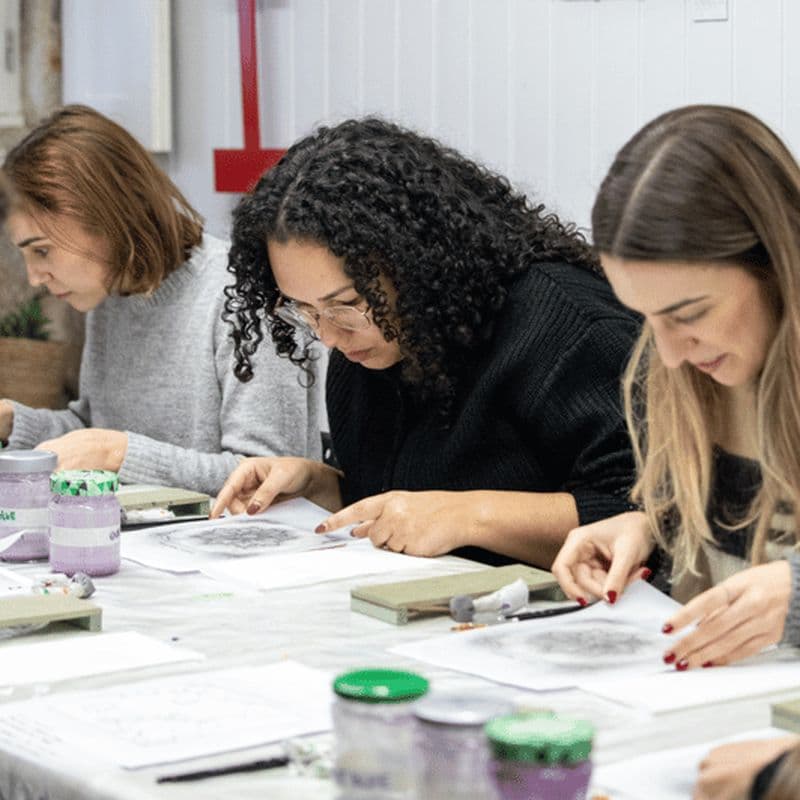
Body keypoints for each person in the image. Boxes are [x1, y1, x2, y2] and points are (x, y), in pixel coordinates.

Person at [211, 117, 638, 566]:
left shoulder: (566, 324)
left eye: (346, 304)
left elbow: (649, 517)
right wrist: (321, 489)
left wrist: (472, 515)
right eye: (305, 310)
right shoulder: (364, 353)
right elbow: (410, 504)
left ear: (414, 264)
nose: (329, 336)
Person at [549, 105, 800, 800]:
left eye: (689, 315)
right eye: (647, 319)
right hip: (705, 725)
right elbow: (735, 543)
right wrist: (650, 526)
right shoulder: (681, 377)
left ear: (776, 264)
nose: (668, 352)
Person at [0, 105, 320, 495]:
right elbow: (94, 430)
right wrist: (13, 423)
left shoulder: (245, 295)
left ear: (105, 217)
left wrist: (117, 453)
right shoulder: (112, 297)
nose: (34, 277)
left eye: (42, 251)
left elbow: (267, 476)